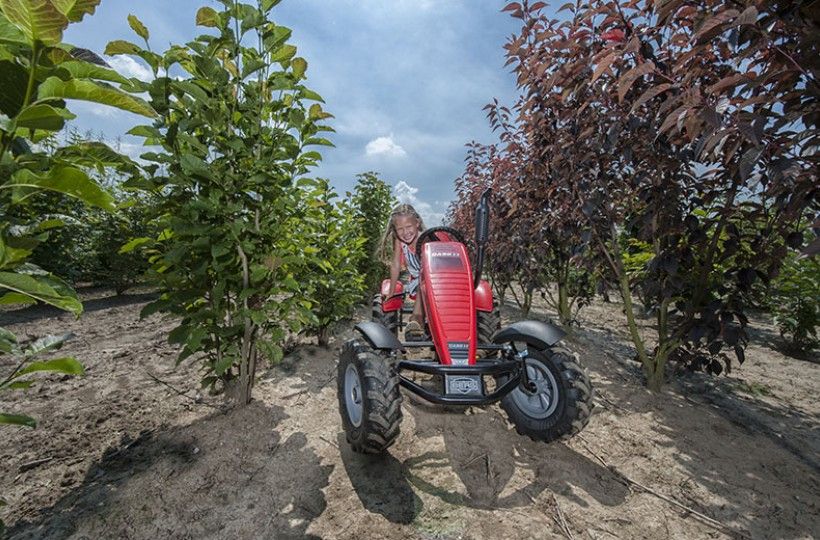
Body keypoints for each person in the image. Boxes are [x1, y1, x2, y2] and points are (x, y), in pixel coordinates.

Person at [378, 203, 426, 340]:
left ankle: (419, 322)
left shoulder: (425, 239)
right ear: (395, 230)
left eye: (408, 226)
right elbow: (396, 264)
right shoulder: (400, 242)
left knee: (425, 281)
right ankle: (416, 319)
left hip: (432, 279)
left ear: (417, 223)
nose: (405, 232)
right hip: (418, 281)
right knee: (422, 283)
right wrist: (392, 292)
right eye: (400, 229)